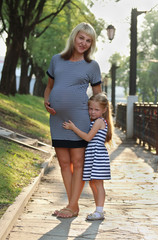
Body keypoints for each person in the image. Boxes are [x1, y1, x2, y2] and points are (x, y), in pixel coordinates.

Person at [44, 22, 102, 218]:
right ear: (74, 37)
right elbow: (49, 86)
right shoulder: (56, 60)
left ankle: (71, 205)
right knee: (63, 163)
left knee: (78, 163)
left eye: (88, 40)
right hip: (57, 119)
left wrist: (99, 122)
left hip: (79, 120)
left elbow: (98, 97)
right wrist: (46, 101)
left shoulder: (92, 66)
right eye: (81, 38)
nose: (84, 43)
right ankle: (72, 206)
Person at [63, 93, 114, 220]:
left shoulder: (99, 121)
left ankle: (100, 211)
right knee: (92, 183)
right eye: (90, 109)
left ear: (104, 110)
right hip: (92, 155)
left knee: (98, 184)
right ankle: (98, 209)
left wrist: (73, 128)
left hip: (98, 156)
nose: (92, 112)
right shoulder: (94, 121)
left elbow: (87, 137)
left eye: (96, 109)